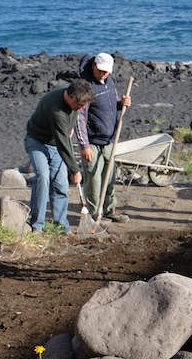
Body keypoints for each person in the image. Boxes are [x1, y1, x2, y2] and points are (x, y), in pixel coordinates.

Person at [25, 79, 96, 233]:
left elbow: (64, 137)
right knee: (43, 178)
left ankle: (62, 226)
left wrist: (69, 127)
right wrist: (75, 170)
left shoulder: (71, 90)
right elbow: (63, 144)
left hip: (57, 141)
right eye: (80, 105)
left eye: (85, 104)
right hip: (37, 141)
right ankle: (37, 226)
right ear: (70, 97)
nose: (83, 108)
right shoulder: (56, 111)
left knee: (61, 185)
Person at [75, 52, 132, 223]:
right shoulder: (86, 87)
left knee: (111, 176)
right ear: (93, 66)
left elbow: (112, 104)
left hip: (109, 140)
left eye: (106, 71)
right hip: (92, 141)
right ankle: (94, 214)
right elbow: (80, 118)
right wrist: (84, 145)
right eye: (100, 70)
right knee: (93, 179)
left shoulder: (109, 83)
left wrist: (122, 104)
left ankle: (108, 209)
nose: (103, 74)